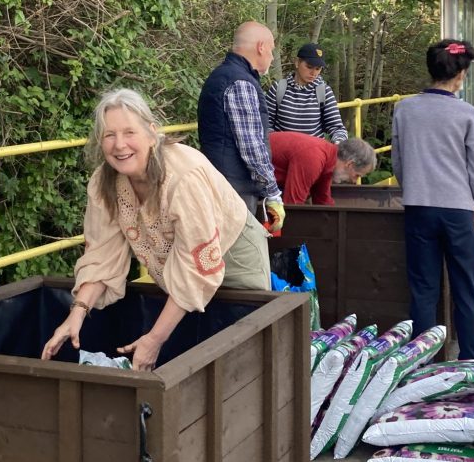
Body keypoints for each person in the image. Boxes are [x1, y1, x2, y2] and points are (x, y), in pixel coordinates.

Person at [41, 89, 271, 371]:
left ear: (152, 134)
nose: (119, 144)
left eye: (129, 132)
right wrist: (77, 313)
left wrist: (154, 339)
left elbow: (198, 268)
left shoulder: (182, 177)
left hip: (231, 253)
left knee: (241, 349)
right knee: (190, 349)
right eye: (109, 135)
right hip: (175, 265)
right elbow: (102, 256)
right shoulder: (104, 184)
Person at [391, 39, 474, 360]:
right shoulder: (467, 114)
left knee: (423, 290)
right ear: (459, 75)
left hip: (418, 208)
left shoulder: (404, 109)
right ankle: (468, 361)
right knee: (466, 290)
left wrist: (413, 188)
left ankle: (424, 364)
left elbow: (399, 162)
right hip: (459, 210)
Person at [198, 21, 285, 232]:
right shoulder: (240, 83)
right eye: (271, 51)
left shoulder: (222, 75)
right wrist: (272, 193)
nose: (272, 58)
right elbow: (252, 146)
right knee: (242, 258)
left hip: (220, 182)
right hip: (234, 189)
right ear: (261, 47)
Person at [264, 43, 348, 142]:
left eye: (318, 69)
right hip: (282, 154)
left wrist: (339, 143)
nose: (314, 73)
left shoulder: (324, 91)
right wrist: (275, 143)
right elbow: (265, 124)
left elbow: (336, 127)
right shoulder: (278, 88)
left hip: (313, 154)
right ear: (297, 62)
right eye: (309, 67)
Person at [270, 132, 376, 205]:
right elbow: (292, 204)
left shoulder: (328, 160)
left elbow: (323, 201)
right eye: (357, 175)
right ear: (349, 164)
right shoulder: (314, 158)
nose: (354, 181)